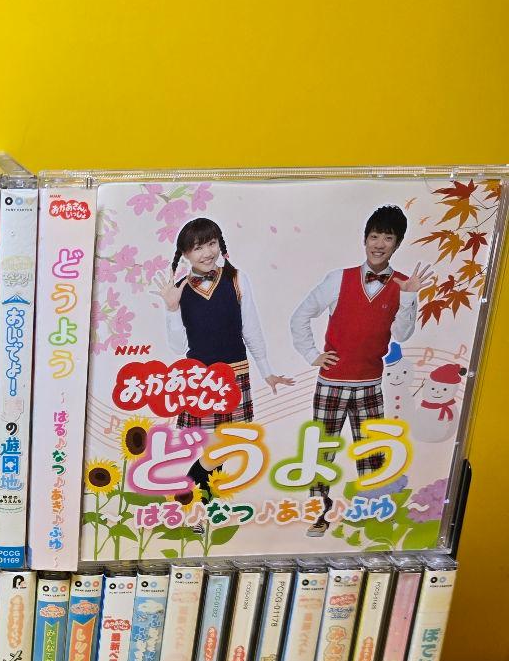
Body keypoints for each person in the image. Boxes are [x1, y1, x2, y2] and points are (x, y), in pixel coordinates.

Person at [290, 205, 432, 535]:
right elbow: (300, 316)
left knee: (371, 453)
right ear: (364, 239)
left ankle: (372, 514)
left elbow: (402, 335)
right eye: (374, 236)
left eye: (388, 238)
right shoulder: (338, 279)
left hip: (370, 385)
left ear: (397, 244)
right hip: (332, 383)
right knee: (322, 451)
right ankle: (319, 513)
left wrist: (409, 297)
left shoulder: (403, 284)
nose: (379, 244)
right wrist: (312, 355)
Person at [152, 217, 293, 500]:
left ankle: (193, 500)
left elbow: (250, 328)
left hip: (234, 373)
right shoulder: (178, 289)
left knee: (222, 447)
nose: (207, 253)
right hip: (201, 379)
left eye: (211, 244)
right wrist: (172, 308)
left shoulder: (236, 279)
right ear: (185, 254)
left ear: (220, 244)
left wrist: (266, 370)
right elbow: (178, 347)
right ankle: (196, 502)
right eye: (197, 248)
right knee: (216, 450)